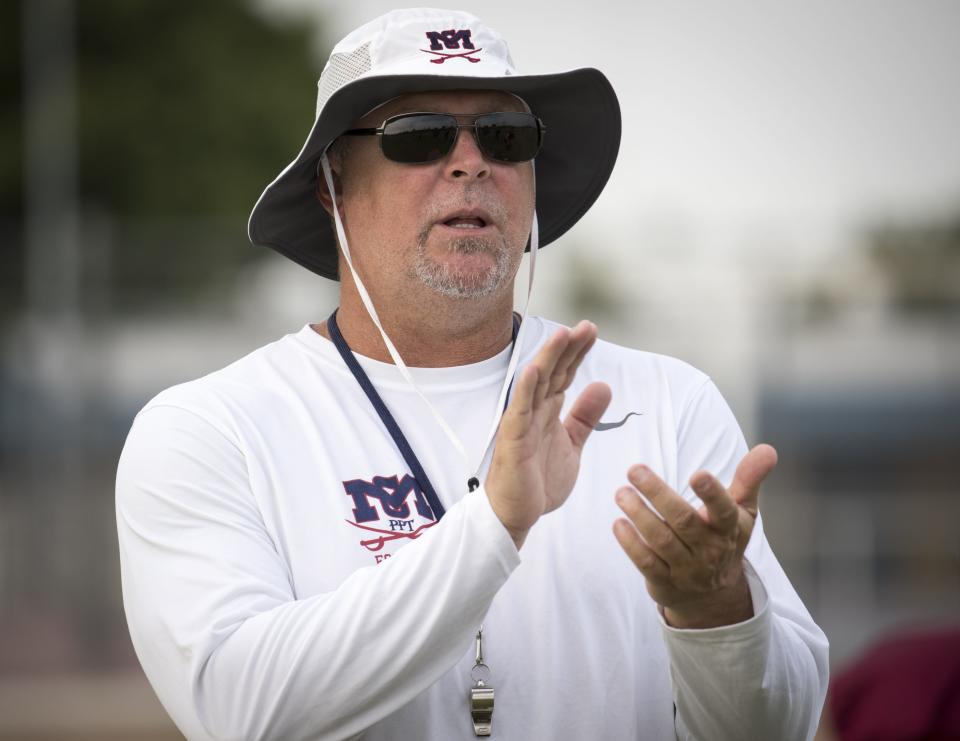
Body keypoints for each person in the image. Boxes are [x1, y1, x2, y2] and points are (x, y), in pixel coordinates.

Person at [116, 8, 829, 740]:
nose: (471, 161)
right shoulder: (211, 428)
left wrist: (715, 613)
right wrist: (495, 524)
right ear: (333, 182)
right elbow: (243, 708)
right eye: (420, 135)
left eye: (504, 136)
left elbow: (781, 727)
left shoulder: (666, 403)